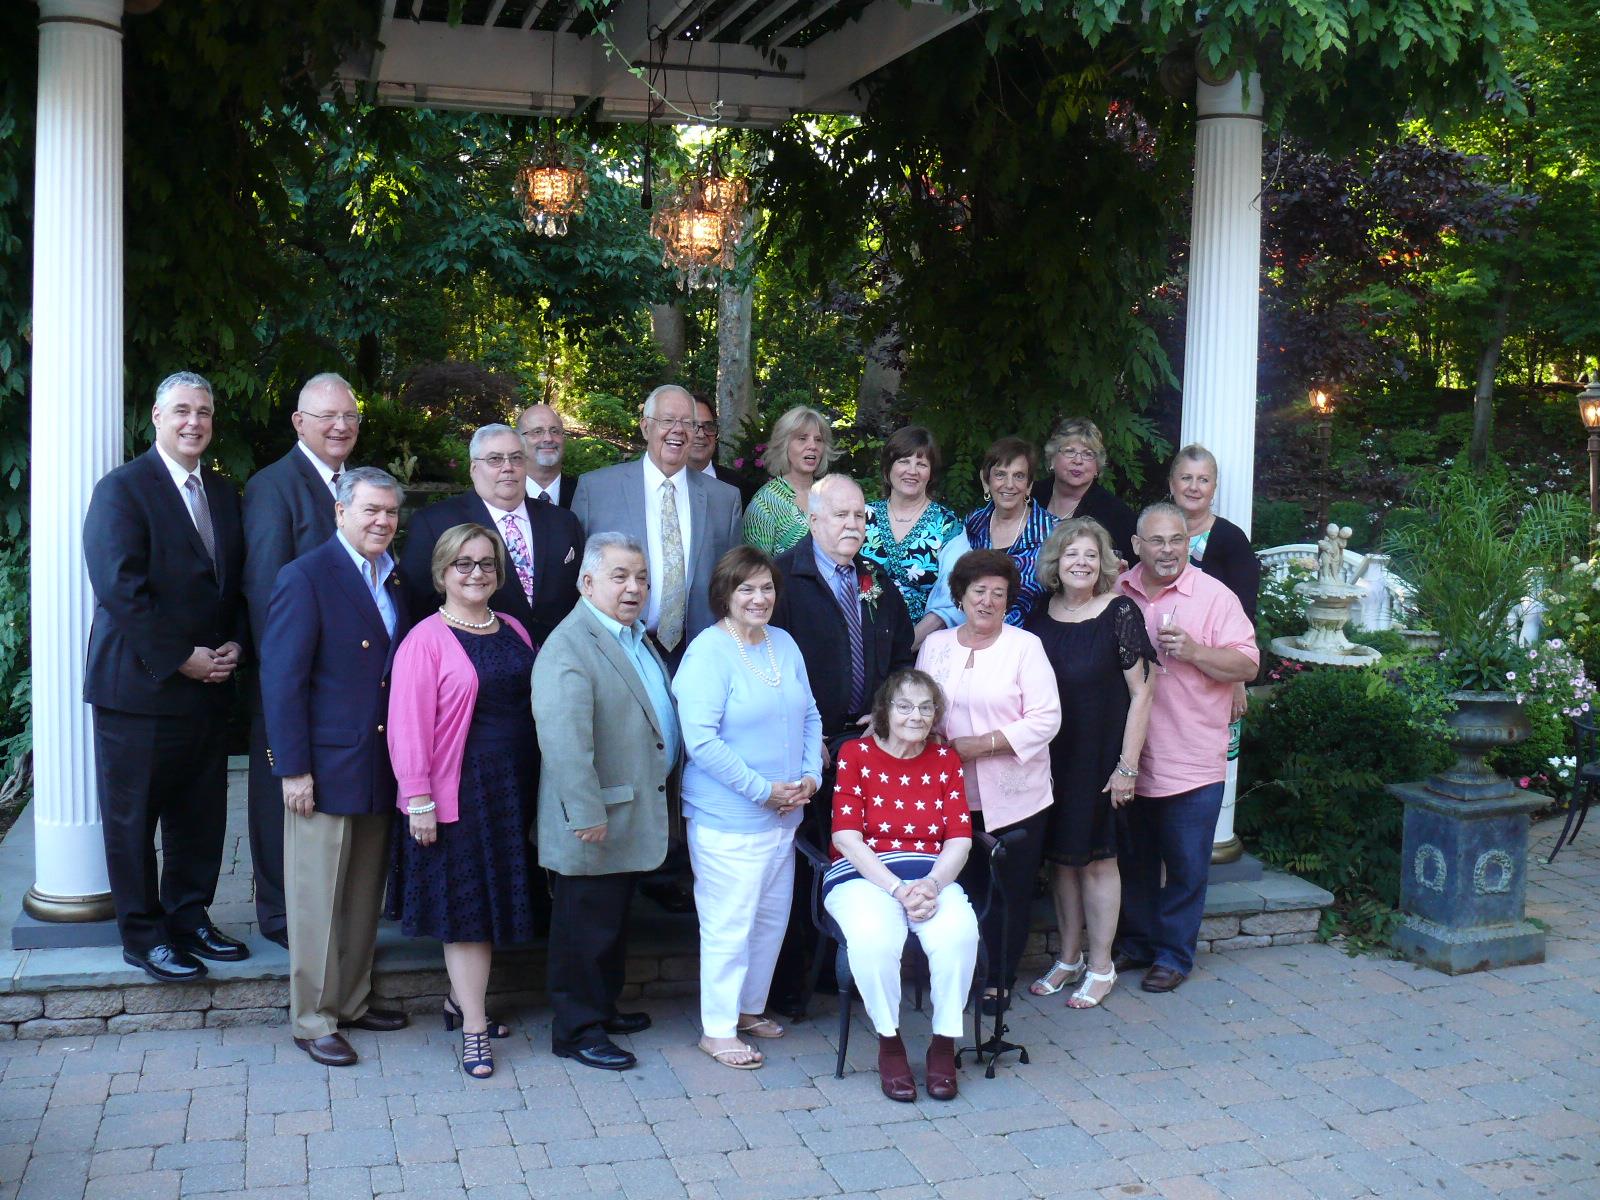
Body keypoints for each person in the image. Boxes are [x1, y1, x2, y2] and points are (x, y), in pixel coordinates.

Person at [83, 370, 250, 982]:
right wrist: (184, 657)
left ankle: (190, 918)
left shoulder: (223, 493)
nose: (193, 422)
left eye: (203, 411)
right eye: (181, 410)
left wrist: (234, 644)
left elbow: (234, 584)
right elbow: (120, 589)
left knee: (199, 816)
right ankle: (144, 936)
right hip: (140, 689)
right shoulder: (122, 490)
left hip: (209, 688)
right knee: (134, 823)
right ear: (157, 417)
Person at [260, 467, 413, 1066]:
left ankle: (351, 1000)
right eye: (371, 510)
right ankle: (312, 1018)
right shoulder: (305, 576)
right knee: (316, 897)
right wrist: (293, 768)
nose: (382, 521)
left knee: (362, 893)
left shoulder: (394, 576)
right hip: (322, 767)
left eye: (390, 512)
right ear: (341, 512)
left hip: (378, 761)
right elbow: (282, 680)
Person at [386, 523, 541, 1079]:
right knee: (468, 913)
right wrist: (419, 800)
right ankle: (474, 1028)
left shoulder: (515, 628)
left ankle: (460, 1002)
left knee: (492, 904)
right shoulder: (425, 639)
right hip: (461, 792)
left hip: (513, 790)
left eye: (486, 563)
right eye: (464, 564)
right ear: (442, 572)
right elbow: (407, 729)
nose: (477, 573)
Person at [767, 474, 916, 1014]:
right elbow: (767, 668)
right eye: (840, 515)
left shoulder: (875, 578)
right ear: (813, 519)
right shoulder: (783, 578)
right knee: (802, 864)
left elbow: (902, 657)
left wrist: (887, 714)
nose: (853, 524)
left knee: (855, 856)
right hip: (806, 749)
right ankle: (791, 987)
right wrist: (808, 738)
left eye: (859, 516)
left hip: (866, 746)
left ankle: (842, 972)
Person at [673, 547, 823, 1069]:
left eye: (766, 588)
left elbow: (810, 715)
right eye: (747, 589)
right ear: (725, 594)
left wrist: (810, 775)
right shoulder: (708, 652)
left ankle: (748, 1009)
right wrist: (763, 790)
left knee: (769, 920)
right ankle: (717, 1030)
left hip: (785, 814)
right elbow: (701, 741)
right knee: (729, 924)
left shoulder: (784, 643)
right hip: (730, 818)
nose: (759, 598)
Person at [534, 533, 679, 1071]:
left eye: (641, 578)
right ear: (587, 582)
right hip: (595, 817)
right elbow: (564, 740)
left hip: (629, 809)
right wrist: (585, 812)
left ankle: (601, 1009)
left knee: (609, 926)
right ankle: (576, 1030)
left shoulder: (633, 636)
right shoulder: (570, 645)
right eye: (620, 577)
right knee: (584, 930)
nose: (634, 587)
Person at [1116, 503, 1259, 993]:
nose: (1168, 550)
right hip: (1131, 757)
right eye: (1157, 540)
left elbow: (1248, 665)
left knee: (1185, 866)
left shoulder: (1214, 595)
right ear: (1137, 545)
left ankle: (1174, 955)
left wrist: (1195, 652)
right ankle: (1137, 943)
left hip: (1192, 757)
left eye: (1177, 540)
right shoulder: (1118, 590)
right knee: (1134, 862)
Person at [242, 371, 361, 948]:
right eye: (327, 416)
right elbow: (265, 591)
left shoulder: (356, 485)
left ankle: (331, 906)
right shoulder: (273, 486)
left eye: (349, 417)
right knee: (281, 792)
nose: (340, 426)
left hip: (347, 680)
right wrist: (287, 674)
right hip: (294, 674)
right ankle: (281, 913)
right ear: (298, 422)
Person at [915, 549, 1060, 1013]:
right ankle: (957, 975)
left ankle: (998, 979)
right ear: (960, 596)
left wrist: (981, 745)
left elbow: (1047, 718)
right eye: (979, 591)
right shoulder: (935, 646)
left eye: (999, 593)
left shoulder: (1025, 647)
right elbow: (918, 706)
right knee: (959, 890)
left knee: (1007, 893)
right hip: (948, 795)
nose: (988, 601)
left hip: (1015, 797)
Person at [824, 669, 978, 1102]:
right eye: (905, 706)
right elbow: (845, 838)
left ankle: (943, 1043)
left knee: (959, 933)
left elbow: (960, 840)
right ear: (885, 711)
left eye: (926, 707)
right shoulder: (855, 754)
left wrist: (931, 884)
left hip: (930, 877)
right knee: (874, 938)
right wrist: (897, 889)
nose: (916, 716)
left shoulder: (945, 760)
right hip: (863, 876)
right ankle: (889, 1044)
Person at [1023, 518, 1155, 1009]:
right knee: (1061, 861)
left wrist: (1127, 767)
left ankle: (1102, 966)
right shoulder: (1040, 610)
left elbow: (1143, 694)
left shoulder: (1120, 612)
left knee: (1098, 861)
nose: (1081, 563)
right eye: (1072, 554)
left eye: (1091, 555)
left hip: (1099, 758)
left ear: (1104, 564)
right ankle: (1069, 958)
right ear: (1056, 562)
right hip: (1049, 758)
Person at [570, 384, 743, 666]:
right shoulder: (596, 490)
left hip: (700, 654)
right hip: (616, 651)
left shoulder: (724, 498)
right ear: (645, 427)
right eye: (667, 420)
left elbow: (732, 581)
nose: (678, 430)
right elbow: (575, 579)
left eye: (688, 423)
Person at [400, 423, 584, 646]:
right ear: (473, 468)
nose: (508, 467)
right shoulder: (434, 523)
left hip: (559, 655)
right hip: (475, 656)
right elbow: (416, 603)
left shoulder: (563, 522)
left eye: (516, 458)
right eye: (495, 459)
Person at [923, 437, 1057, 635]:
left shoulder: (1054, 533)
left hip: (1030, 639)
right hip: (970, 635)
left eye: (1019, 476)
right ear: (986, 481)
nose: (1009, 484)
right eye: (1000, 475)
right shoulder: (973, 524)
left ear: (1029, 485)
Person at [1169, 442, 1261, 730]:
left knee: (1208, 747)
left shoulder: (1231, 540)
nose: (1194, 487)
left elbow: (1245, 613)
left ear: (1214, 488)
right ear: (1172, 484)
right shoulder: (1154, 532)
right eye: (1186, 478)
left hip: (1213, 672)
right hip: (1162, 667)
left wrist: (1236, 680)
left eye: (1203, 480)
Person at [862, 426, 963, 625]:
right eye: (904, 461)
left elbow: (952, 599)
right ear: (887, 468)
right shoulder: (861, 516)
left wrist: (912, 640)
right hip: (860, 633)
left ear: (931, 473)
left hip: (923, 637)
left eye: (922, 464)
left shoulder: (947, 525)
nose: (912, 471)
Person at [1030, 417, 1137, 567]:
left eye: (1088, 454)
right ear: (1052, 459)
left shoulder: (1117, 515)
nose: (1078, 460)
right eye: (1070, 451)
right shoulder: (1030, 495)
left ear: (1097, 467)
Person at [741, 405, 838, 555]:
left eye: (818, 440)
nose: (813, 446)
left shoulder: (832, 496)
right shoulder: (765, 504)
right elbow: (754, 567)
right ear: (784, 445)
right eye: (802, 439)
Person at [690, 394, 760, 504]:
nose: (701, 434)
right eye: (692, 426)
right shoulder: (665, 485)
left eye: (708, 426)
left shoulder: (741, 488)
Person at [517, 401, 578, 508]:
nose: (548, 439)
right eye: (537, 432)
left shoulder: (582, 492)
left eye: (555, 431)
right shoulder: (502, 493)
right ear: (518, 440)